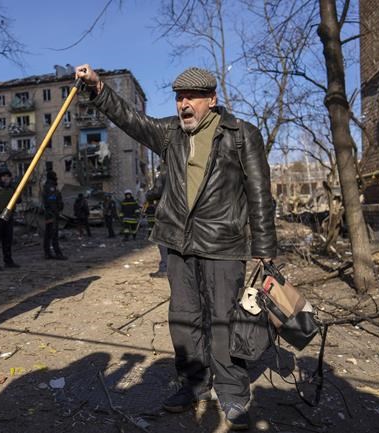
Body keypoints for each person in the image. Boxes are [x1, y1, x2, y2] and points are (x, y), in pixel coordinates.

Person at [75, 64, 277, 430]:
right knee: (183, 318)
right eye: (179, 98)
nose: (183, 104)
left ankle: (232, 391)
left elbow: (260, 192)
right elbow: (131, 120)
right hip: (179, 243)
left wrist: (264, 243)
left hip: (224, 242)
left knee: (223, 317)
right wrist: (99, 87)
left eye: (191, 98)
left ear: (211, 100)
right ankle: (193, 383)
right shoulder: (170, 133)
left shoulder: (242, 134)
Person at [145, 166, 167, 278]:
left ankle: (165, 268)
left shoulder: (164, 173)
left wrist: (148, 195)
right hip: (183, 211)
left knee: (163, 242)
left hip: (166, 213)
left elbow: (156, 191)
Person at [42, 170, 67, 260]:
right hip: (52, 214)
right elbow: (52, 201)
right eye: (55, 176)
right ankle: (58, 253)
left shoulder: (49, 187)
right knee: (53, 234)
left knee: (48, 234)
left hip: (50, 214)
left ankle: (47, 253)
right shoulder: (51, 188)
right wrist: (56, 212)